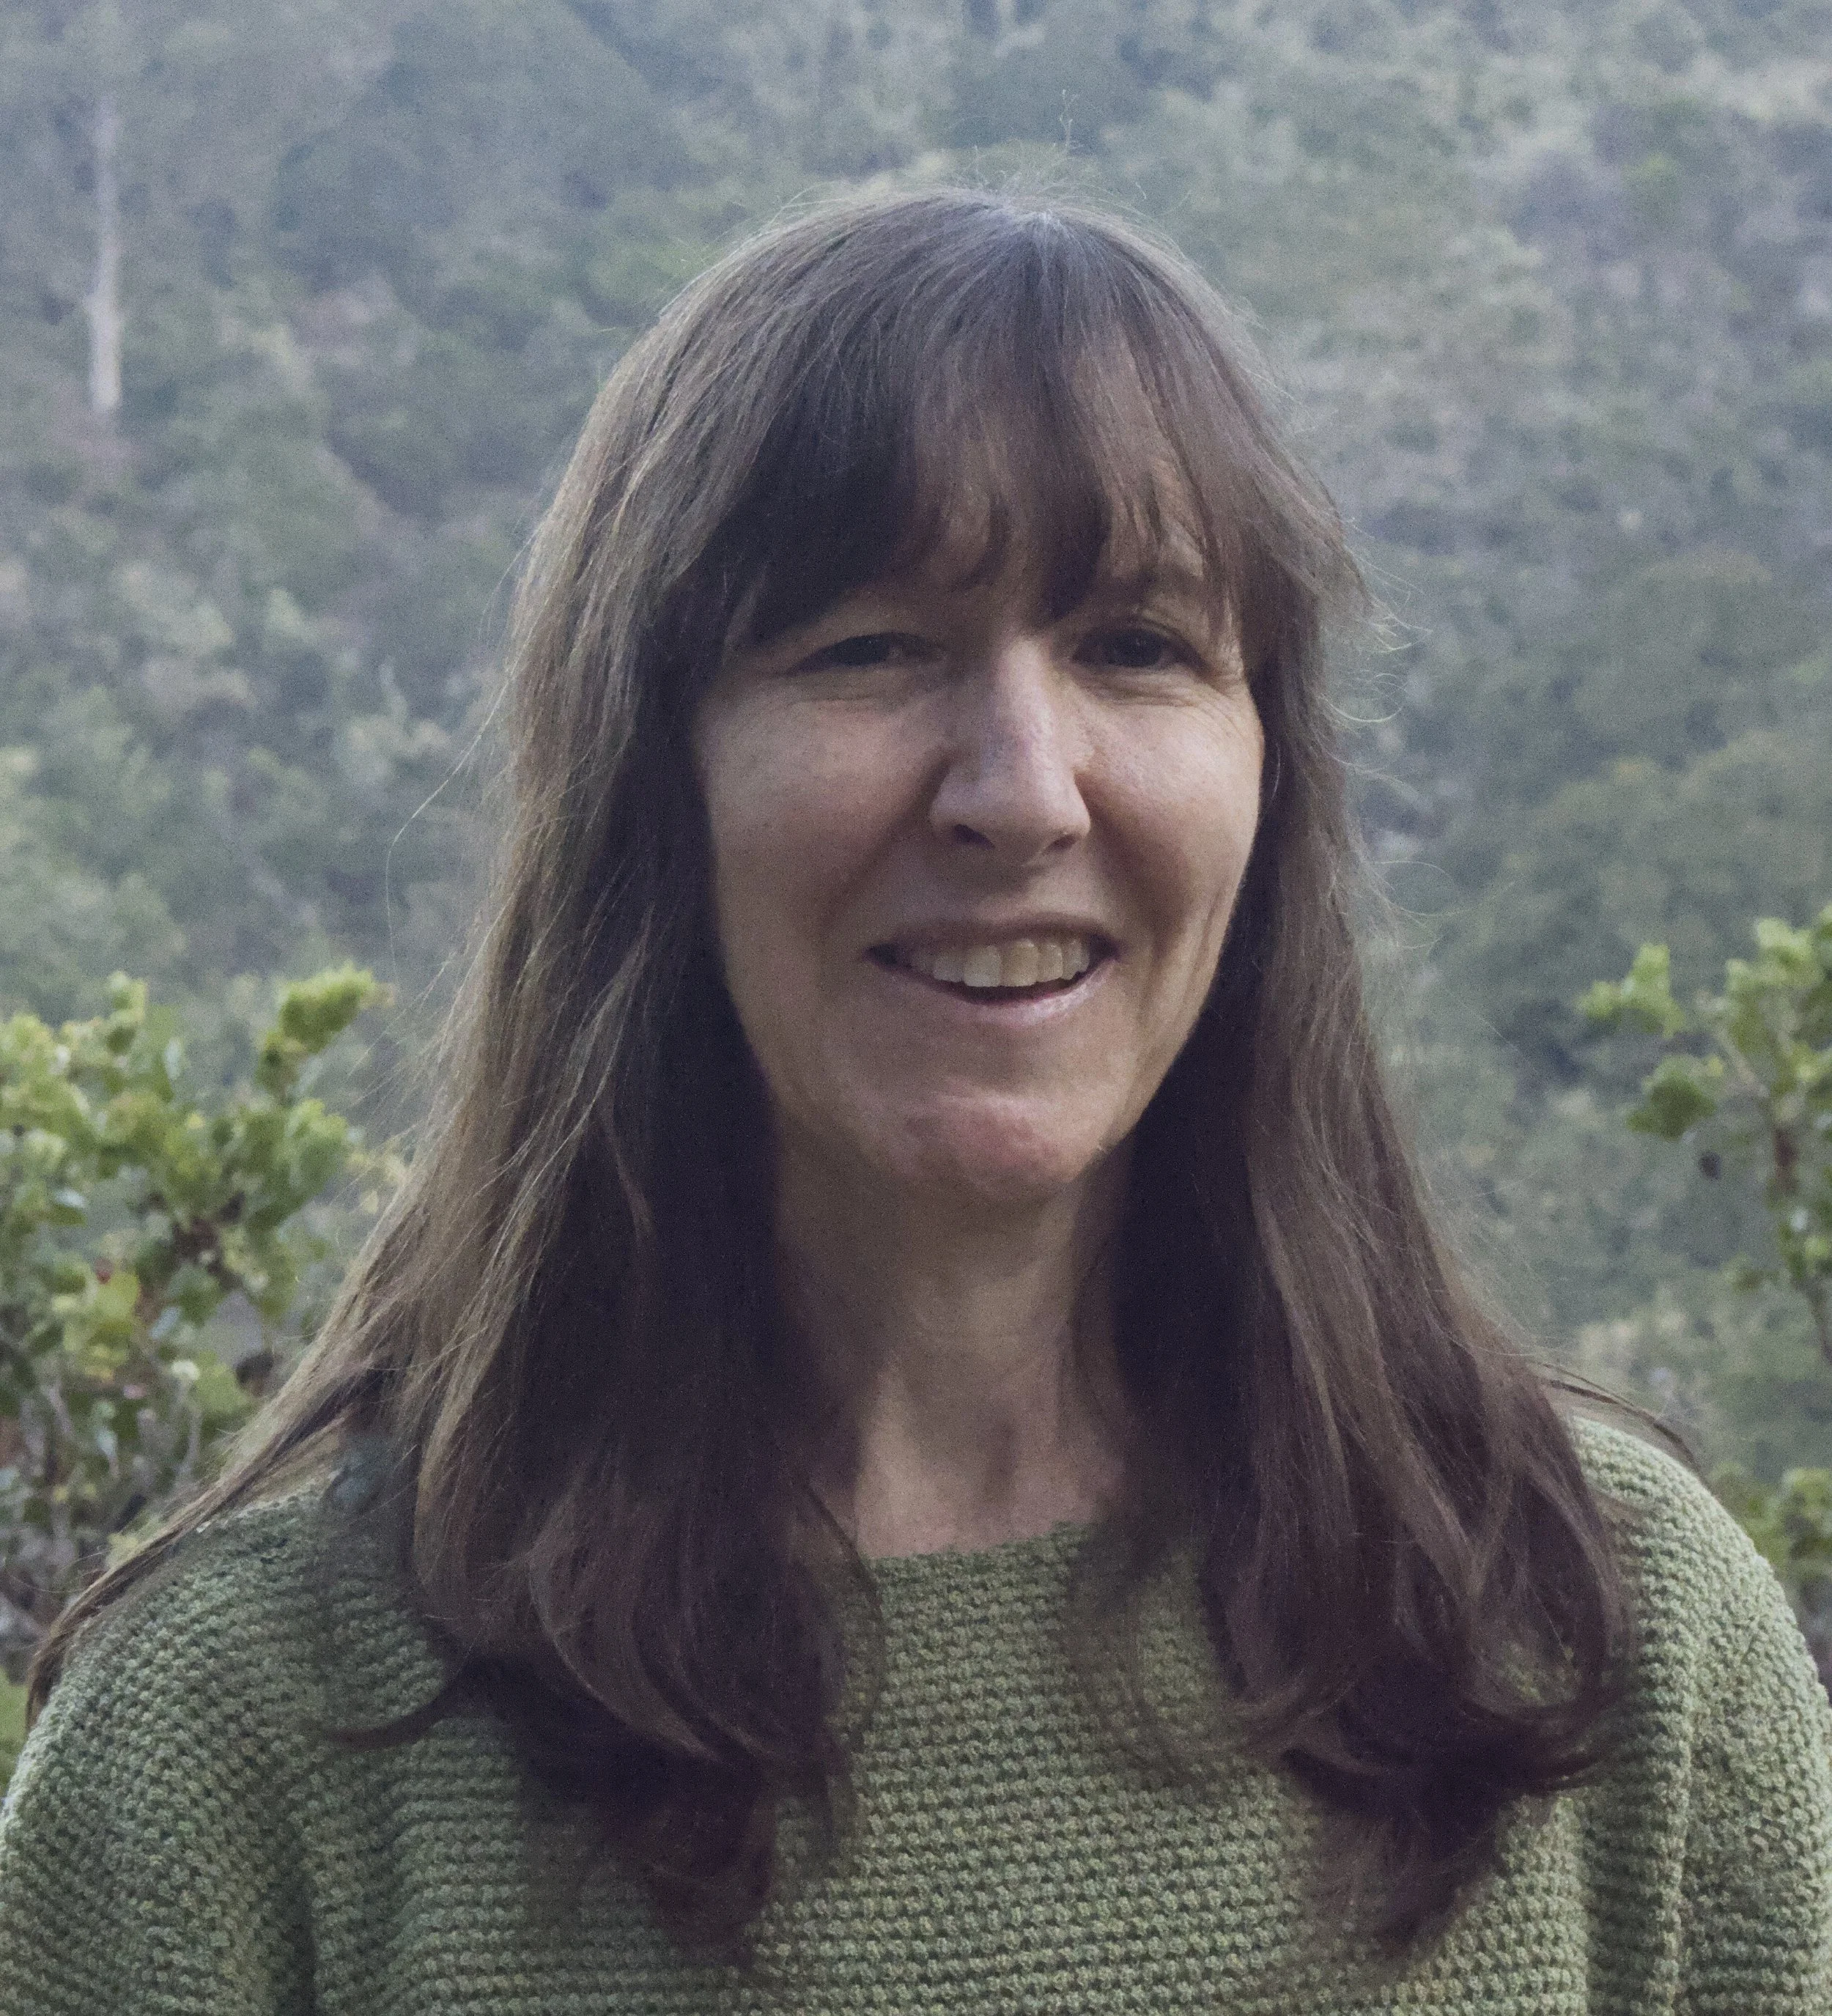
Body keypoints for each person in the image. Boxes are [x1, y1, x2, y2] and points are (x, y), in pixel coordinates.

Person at [2, 186, 1828, 2015]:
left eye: (1135, 645)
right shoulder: (237, 1743)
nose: (1020, 794)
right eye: (869, 647)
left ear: (1268, 779)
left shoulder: (1611, 1651)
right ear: (653, 784)